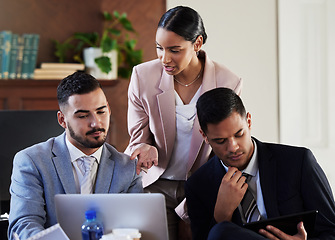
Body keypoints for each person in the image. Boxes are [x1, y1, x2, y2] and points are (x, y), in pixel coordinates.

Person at [125, 5, 242, 239]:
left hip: (202, 185)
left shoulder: (227, 82)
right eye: (159, 48)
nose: (164, 58)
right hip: (155, 184)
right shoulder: (143, 76)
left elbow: (225, 142)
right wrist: (144, 147)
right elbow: (137, 138)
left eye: (174, 50)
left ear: (197, 44)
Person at [185, 87, 335, 240]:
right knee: (220, 231)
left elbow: (332, 231)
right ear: (205, 136)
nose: (233, 147)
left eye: (239, 134)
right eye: (220, 141)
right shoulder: (198, 185)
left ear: (249, 121)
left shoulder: (298, 161)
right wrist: (222, 215)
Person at [8, 72, 143, 240]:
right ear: (62, 120)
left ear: (108, 109)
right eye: (83, 116)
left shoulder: (128, 167)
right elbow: (24, 225)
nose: (96, 123)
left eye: (101, 112)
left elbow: (135, 228)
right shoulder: (31, 162)